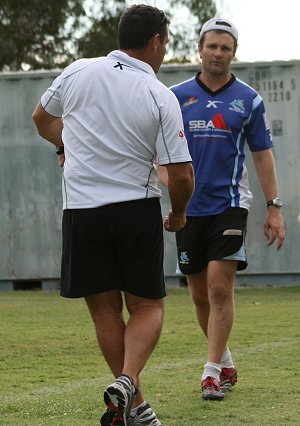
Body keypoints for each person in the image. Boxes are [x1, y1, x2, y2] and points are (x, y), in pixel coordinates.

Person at [32, 4, 194, 426]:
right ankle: (128, 381)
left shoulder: (78, 71)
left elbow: (42, 118)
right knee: (147, 306)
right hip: (134, 209)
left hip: (81, 211)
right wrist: (178, 214)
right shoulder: (160, 94)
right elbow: (179, 173)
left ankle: (134, 406)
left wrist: (66, 146)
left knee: (105, 311)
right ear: (156, 42)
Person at [167, 18, 285, 401]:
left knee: (220, 289)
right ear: (199, 49)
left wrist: (273, 206)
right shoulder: (175, 97)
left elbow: (263, 155)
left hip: (230, 206)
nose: (218, 53)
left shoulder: (248, 100)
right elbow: (158, 150)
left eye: (226, 48)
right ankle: (226, 359)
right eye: (212, 46)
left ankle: (210, 373)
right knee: (199, 295)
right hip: (187, 208)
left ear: (234, 53)